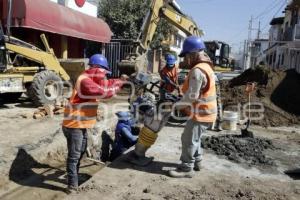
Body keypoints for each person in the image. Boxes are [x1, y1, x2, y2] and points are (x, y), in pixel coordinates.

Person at [62, 54, 127, 191]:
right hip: (74, 125)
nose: (105, 77)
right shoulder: (84, 80)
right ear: (96, 69)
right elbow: (104, 92)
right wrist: (119, 85)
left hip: (81, 125)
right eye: (104, 73)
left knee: (79, 153)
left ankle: (73, 178)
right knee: (74, 156)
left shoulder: (91, 78)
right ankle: (72, 186)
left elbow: (107, 84)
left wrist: (120, 80)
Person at [169, 36, 217, 178]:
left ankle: (186, 168)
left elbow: (192, 96)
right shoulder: (207, 66)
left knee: (188, 139)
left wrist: (178, 106)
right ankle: (197, 162)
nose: (186, 60)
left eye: (187, 56)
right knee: (195, 138)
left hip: (201, 114)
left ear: (193, 53)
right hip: (207, 113)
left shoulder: (198, 70)